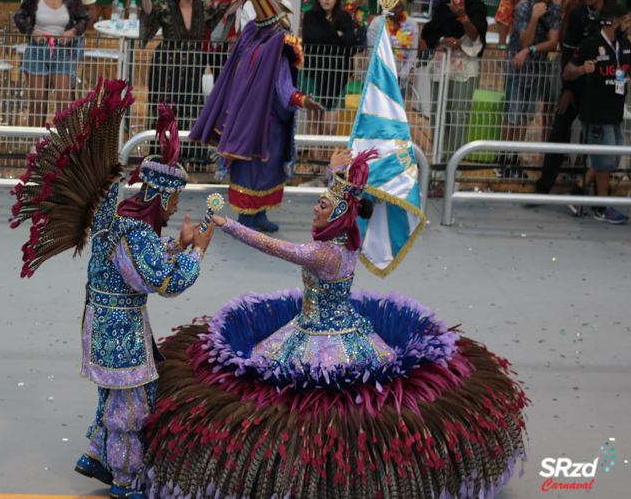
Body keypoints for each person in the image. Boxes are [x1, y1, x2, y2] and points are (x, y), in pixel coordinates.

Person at [136, 147, 529, 499]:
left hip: (319, 337)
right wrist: (337, 175)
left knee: (315, 395)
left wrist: (227, 224)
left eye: (322, 207)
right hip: (343, 328)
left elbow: (273, 246)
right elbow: (345, 201)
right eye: (319, 204)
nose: (314, 209)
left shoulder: (322, 255)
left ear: (338, 215)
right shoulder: (344, 242)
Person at [11, 82, 215, 499]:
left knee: (117, 396)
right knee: (132, 406)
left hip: (108, 323)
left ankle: (97, 455)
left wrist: (176, 243)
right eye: (174, 201)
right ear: (160, 196)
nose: (175, 208)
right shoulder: (135, 231)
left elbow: (139, 264)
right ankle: (124, 479)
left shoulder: (124, 217)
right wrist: (196, 253)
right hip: (119, 331)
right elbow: (164, 282)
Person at [190, 0, 322, 233]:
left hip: (244, 117)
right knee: (259, 168)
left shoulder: (250, 37)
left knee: (256, 168)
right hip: (267, 122)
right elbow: (285, 89)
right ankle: (249, 220)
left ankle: (256, 216)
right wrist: (304, 101)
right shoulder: (275, 49)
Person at [534, 0, 610, 197]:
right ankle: (543, 188)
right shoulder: (577, 14)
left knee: (598, 139)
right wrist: (567, 88)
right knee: (558, 131)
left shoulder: (613, 12)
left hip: (601, 90)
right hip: (574, 84)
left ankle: (597, 192)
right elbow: (567, 52)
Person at [140, 0, 243, 132]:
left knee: (191, 105)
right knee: (165, 106)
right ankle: (162, 153)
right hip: (166, 66)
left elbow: (225, 9)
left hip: (192, 65)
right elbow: (150, 12)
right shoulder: (167, 5)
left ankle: (189, 153)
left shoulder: (202, 5)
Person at [562, 2, 630, 224]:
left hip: (616, 111)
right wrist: (582, 69)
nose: (629, 26)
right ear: (615, 23)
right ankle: (602, 207)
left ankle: (577, 193)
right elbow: (567, 73)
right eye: (627, 22)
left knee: (608, 158)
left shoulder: (625, 45)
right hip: (596, 111)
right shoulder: (591, 44)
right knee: (604, 161)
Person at [420, 0, 488, 158]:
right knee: (437, 111)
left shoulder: (477, 7)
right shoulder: (442, 7)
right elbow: (430, 32)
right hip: (441, 64)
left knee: (459, 112)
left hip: (464, 67)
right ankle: (438, 154)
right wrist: (443, 40)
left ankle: (454, 158)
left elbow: (476, 34)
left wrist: (463, 16)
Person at [499, 0, 562, 176]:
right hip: (517, 67)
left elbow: (553, 42)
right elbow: (525, 40)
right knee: (512, 113)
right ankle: (503, 158)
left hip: (538, 68)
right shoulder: (524, 7)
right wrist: (534, 17)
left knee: (526, 115)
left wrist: (530, 50)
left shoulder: (556, 9)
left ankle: (515, 157)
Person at [14, 0, 89, 129]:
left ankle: (66, 146)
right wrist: (31, 31)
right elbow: (19, 16)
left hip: (62, 52)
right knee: (38, 101)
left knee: (64, 101)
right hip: (37, 51)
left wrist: (73, 31)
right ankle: (35, 145)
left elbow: (84, 18)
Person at [301, 0, 357, 136]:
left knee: (330, 126)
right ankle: (314, 161)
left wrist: (325, 36)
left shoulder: (344, 17)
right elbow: (311, 37)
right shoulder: (311, 16)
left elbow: (351, 41)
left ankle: (328, 161)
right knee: (314, 122)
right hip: (314, 73)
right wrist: (337, 35)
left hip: (337, 75)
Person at [189, 0, 243, 83]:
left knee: (223, 87)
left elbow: (248, 5)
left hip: (224, 43)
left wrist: (239, 36)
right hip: (194, 42)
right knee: (191, 87)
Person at [367, 0, 418, 98]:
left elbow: (413, 52)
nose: (393, 9)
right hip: (377, 79)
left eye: (397, 6)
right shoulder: (377, 23)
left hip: (400, 82)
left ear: (403, 8)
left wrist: (402, 75)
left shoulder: (411, 24)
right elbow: (372, 53)